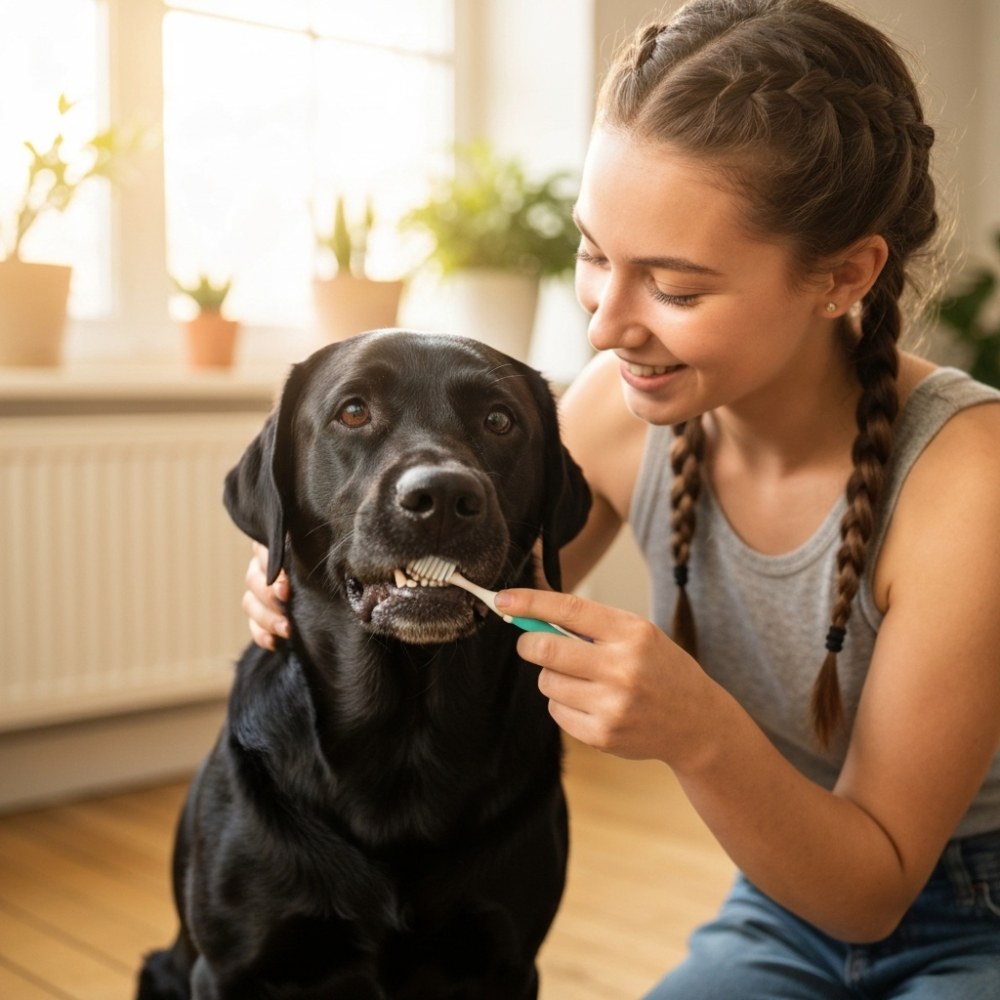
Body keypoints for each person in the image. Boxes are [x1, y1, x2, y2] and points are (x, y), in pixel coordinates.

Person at [242, 1, 1000, 995]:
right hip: (780, 902)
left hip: (962, 908)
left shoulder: (968, 484)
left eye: (674, 289)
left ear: (843, 275)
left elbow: (870, 890)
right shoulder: (617, 413)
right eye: (595, 255)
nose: (603, 326)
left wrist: (701, 730)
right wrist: (307, 564)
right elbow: (467, 602)